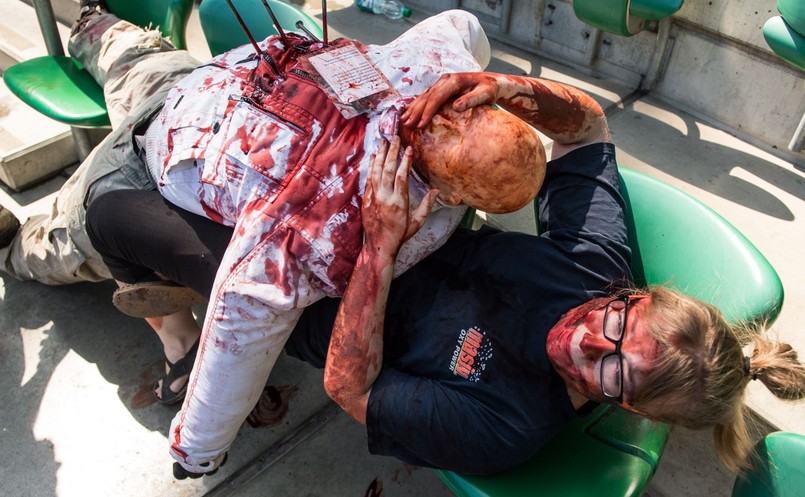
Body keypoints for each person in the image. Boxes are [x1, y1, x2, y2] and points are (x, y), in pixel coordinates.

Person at [88, 70, 805, 477]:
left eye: (612, 374)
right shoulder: (599, 271)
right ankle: (130, 66)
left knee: (110, 210)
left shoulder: (506, 427)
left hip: (308, 294)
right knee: (199, 102)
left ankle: (157, 320)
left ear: (630, 409)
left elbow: (347, 386)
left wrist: (374, 245)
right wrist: (506, 88)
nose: (588, 340)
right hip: (382, 206)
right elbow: (588, 131)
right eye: (618, 323)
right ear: (636, 298)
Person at [0, 2, 546, 477]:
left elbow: (241, 323)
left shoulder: (330, 215)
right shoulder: (444, 69)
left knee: (62, 240)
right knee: (133, 57)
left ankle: (15, 248)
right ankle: (92, 25)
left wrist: (198, 446)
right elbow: (465, 27)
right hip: (201, 89)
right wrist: (197, 453)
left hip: (153, 154)